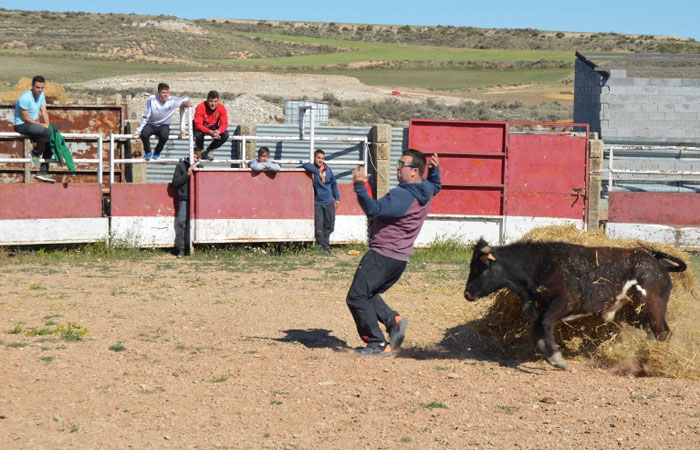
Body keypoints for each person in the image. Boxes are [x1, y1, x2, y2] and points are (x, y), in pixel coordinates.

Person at [347, 149, 441, 357]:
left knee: (357, 297)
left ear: (414, 171)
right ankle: (393, 321)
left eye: (401, 166)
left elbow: (373, 209)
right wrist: (434, 171)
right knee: (368, 293)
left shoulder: (403, 195)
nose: (397, 169)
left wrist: (360, 186)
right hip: (399, 258)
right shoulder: (425, 188)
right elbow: (436, 186)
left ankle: (378, 343)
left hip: (383, 255)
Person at [134, 83, 191, 160]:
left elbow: (186, 99)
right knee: (144, 133)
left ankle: (157, 152)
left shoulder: (172, 100)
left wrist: (186, 102)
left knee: (165, 135)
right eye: (163, 92)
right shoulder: (152, 99)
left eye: (167, 92)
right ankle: (148, 152)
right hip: (151, 124)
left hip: (163, 125)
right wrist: (137, 131)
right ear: (158, 93)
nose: (165, 95)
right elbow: (146, 115)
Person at [14, 75, 54, 183]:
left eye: (42, 88)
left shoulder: (41, 95)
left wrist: (47, 125)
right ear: (32, 86)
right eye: (37, 87)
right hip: (22, 125)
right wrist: (42, 125)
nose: (40, 90)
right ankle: (35, 153)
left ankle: (43, 172)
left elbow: (44, 112)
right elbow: (25, 118)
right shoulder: (25, 98)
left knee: (51, 137)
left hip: (33, 125)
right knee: (46, 132)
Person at [302, 149, 339, 256]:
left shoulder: (328, 170)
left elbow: (334, 184)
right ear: (314, 158)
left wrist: (337, 198)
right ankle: (321, 246)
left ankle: (326, 245)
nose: (320, 160)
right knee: (319, 226)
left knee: (330, 225)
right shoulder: (312, 169)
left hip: (329, 202)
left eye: (322, 158)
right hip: (317, 202)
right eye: (318, 158)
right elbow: (305, 165)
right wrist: (318, 173)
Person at [171, 148, 202, 258]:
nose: (193, 158)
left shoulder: (200, 168)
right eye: (192, 155)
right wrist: (187, 174)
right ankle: (181, 249)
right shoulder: (180, 166)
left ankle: (192, 248)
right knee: (182, 223)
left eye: (196, 157)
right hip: (184, 198)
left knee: (195, 224)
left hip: (197, 200)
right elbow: (175, 182)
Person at [193, 90, 229, 161]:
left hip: (212, 126)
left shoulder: (221, 108)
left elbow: (224, 123)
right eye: (211, 101)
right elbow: (198, 124)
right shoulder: (200, 107)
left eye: (215, 101)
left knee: (225, 135)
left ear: (218, 101)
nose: (213, 104)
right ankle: (200, 150)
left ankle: (209, 150)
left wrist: (218, 131)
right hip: (199, 127)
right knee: (199, 134)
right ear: (207, 100)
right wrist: (210, 132)